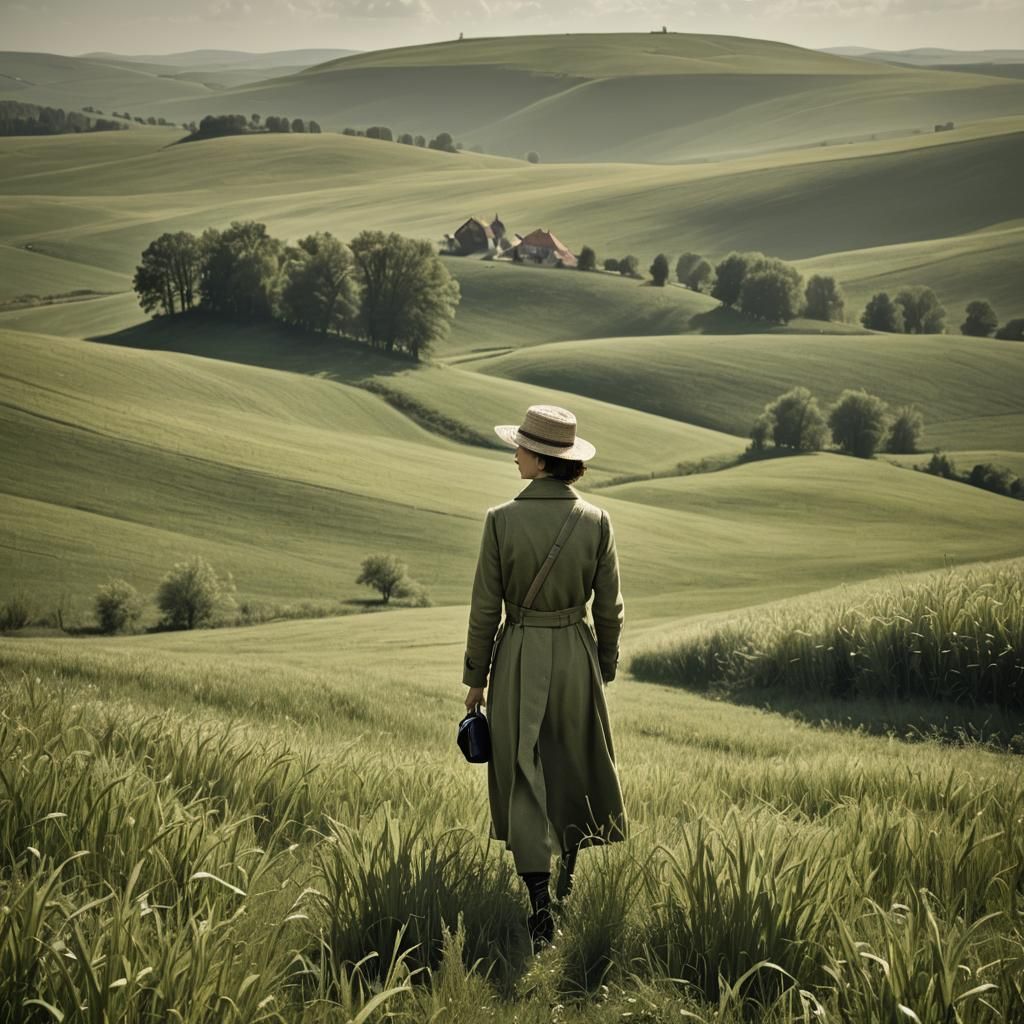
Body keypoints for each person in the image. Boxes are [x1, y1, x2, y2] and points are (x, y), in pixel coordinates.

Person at [462, 404, 628, 954]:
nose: (514, 453)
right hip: (576, 653)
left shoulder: (499, 519)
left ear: (541, 458)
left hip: (518, 654)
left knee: (523, 767)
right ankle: (567, 881)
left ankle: (537, 905)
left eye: (521, 447)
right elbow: (610, 608)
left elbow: (485, 609)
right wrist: (603, 664)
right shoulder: (597, 521)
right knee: (570, 764)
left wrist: (475, 679)